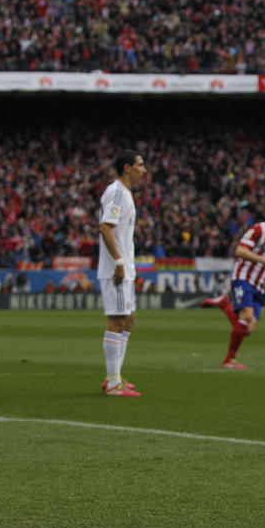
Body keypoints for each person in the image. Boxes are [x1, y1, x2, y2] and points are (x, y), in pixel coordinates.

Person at [203, 204, 265, 369]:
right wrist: (262, 259)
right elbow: (239, 250)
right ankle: (230, 360)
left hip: (260, 284)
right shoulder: (259, 229)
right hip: (243, 277)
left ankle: (224, 304)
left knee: (247, 329)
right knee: (246, 317)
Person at [98, 150, 147, 397]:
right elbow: (105, 228)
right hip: (116, 269)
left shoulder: (125, 194)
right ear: (127, 167)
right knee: (117, 321)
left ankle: (114, 377)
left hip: (125, 268)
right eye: (140, 165)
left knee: (128, 320)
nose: (144, 170)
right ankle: (114, 382)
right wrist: (118, 262)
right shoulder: (117, 192)